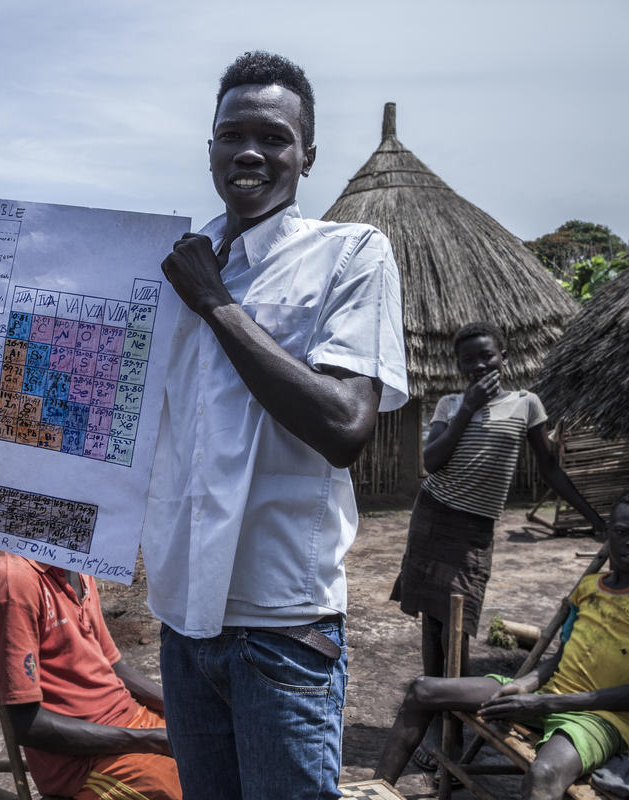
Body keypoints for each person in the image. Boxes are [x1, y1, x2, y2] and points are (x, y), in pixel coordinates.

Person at [141, 51, 409, 799]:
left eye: (274, 137)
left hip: (284, 629)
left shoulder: (350, 255)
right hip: (184, 623)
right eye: (233, 135)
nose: (250, 152)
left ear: (307, 155)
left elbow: (345, 426)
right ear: (210, 149)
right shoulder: (172, 265)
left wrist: (216, 304)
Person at [376, 490, 629, 800]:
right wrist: (524, 685)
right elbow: (561, 658)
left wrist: (543, 704)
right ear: (609, 533)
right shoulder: (588, 587)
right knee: (422, 690)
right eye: (623, 532)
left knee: (543, 774)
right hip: (548, 695)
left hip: (604, 717)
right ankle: (374, 791)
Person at [389, 321, 607, 768]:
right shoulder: (451, 404)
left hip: (475, 529)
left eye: (486, 356)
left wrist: (595, 519)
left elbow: (550, 469)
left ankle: (452, 721)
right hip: (434, 516)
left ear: (503, 357)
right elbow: (432, 461)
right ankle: (437, 725)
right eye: (468, 360)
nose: (478, 366)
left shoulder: (527, 404)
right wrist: (468, 407)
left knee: (458, 624)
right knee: (432, 623)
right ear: (458, 367)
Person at [0, 552, 182, 800]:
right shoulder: (14, 581)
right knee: (184, 786)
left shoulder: (77, 560)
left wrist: (181, 710)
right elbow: (28, 726)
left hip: (133, 724)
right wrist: (152, 741)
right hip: (84, 762)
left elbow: (113, 666)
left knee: (211, 754)